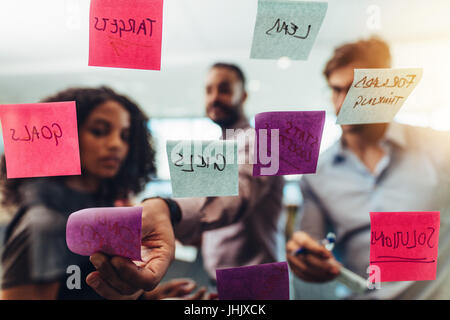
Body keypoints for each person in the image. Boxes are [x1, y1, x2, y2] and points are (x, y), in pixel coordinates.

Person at [87, 63, 285, 299]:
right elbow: (209, 211)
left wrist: (169, 210)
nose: (214, 97)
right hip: (221, 282)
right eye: (208, 90)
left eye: (224, 89)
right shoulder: (217, 148)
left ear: (243, 95)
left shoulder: (262, 141)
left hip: (258, 284)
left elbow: (234, 194)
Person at [286, 37, 450, 299]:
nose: (342, 103)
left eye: (354, 90)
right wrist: (303, 257)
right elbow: (309, 242)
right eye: (336, 90)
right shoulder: (318, 175)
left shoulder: (441, 149)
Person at [0, 87, 199, 300]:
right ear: (67, 135)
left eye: (125, 136)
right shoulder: (46, 223)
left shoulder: (99, 207)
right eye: (99, 131)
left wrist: (150, 297)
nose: (116, 145)